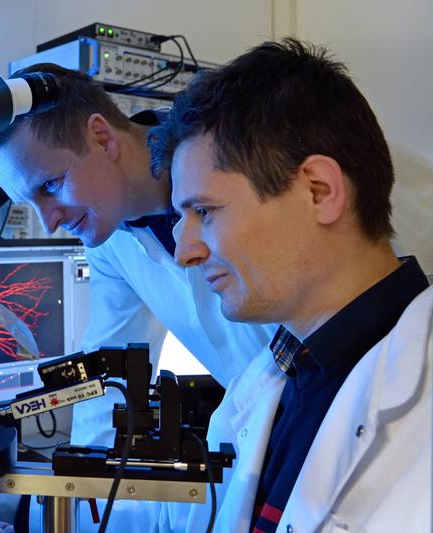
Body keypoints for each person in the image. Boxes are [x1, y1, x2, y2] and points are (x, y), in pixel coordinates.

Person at [154, 38, 431, 532]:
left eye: (205, 212)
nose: (184, 253)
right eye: (182, 218)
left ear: (319, 191)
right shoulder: (278, 381)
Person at [0, 63, 277, 448]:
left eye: (50, 186)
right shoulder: (110, 237)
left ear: (102, 137)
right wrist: (82, 479)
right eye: (29, 204)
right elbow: (107, 378)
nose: (49, 223)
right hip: (263, 434)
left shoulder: (236, 159)